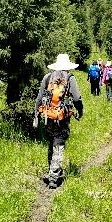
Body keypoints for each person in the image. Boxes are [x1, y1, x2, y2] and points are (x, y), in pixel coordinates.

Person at [33, 53, 84, 189]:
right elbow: (77, 98)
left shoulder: (48, 77)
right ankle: (54, 177)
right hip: (62, 118)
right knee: (59, 144)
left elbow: (39, 97)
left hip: (47, 116)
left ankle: (51, 170)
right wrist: (80, 110)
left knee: (51, 143)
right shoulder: (70, 78)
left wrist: (36, 115)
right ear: (67, 66)